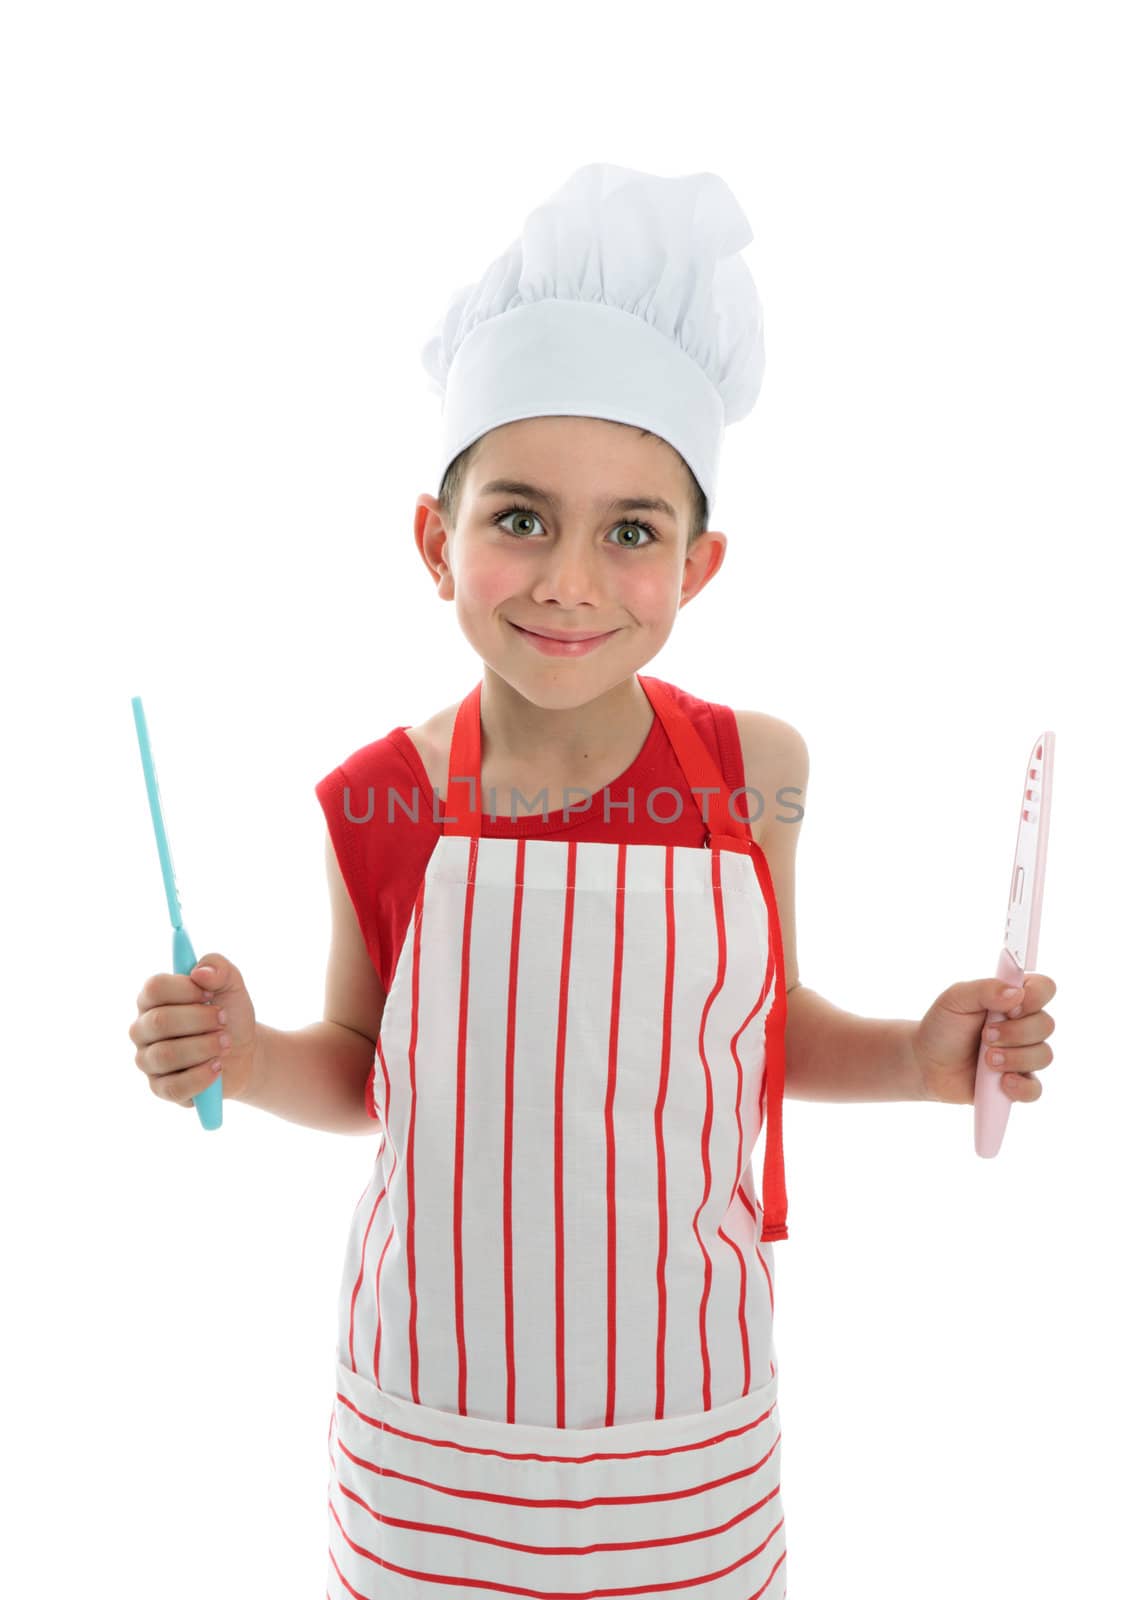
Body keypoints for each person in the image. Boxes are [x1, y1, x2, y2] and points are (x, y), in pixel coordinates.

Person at [128, 164, 1058, 1598]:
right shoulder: (372, 798)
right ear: (436, 541)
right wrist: (243, 1056)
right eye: (518, 518)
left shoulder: (754, 768)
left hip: (684, 1433)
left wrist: (918, 1059)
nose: (569, 577)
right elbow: (368, 1069)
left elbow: (763, 1025)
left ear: (701, 562)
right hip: (429, 1444)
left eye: (631, 531)